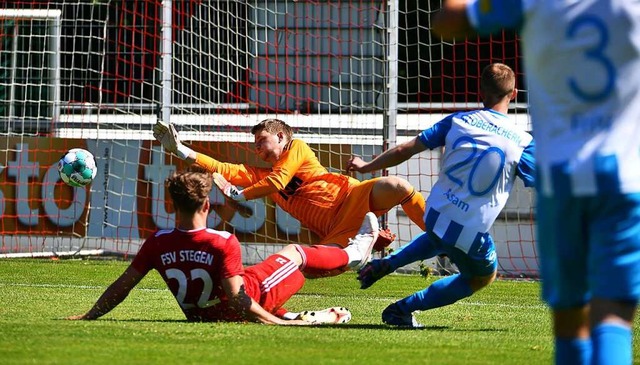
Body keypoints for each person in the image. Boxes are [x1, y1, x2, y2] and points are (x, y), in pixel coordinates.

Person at [430, 2, 640, 364]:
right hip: (624, 179)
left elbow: (446, 23)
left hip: (562, 180)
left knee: (570, 317)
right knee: (613, 316)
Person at [346, 63, 535, 328]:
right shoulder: (523, 142)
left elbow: (404, 150)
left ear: (480, 89)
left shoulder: (458, 120)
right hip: (469, 228)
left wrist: (366, 166)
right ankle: (402, 310)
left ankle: (390, 263)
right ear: (514, 93)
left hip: (434, 212)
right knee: (481, 277)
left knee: (443, 235)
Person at [67, 169, 379, 325]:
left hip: (204, 316)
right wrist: (272, 325)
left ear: (170, 205)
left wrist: (89, 316)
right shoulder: (223, 241)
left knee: (262, 274)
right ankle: (353, 254)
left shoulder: (157, 243)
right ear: (205, 204)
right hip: (248, 300)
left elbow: (122, 285)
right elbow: (239, 298)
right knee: (295, 255)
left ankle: (301, 316)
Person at [152, 118, 426, 252]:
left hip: (352, 195)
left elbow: (278, 181)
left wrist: (241, 193)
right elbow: (225, 169)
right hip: (334, 229)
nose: (257, 149)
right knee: (309, 266)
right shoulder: (262, 176)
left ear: (281, 136)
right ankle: (367, 239)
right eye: (255, 146)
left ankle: (439, 234)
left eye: (262, 142)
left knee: (397, 186)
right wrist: (181, 150)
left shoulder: (297, 147)